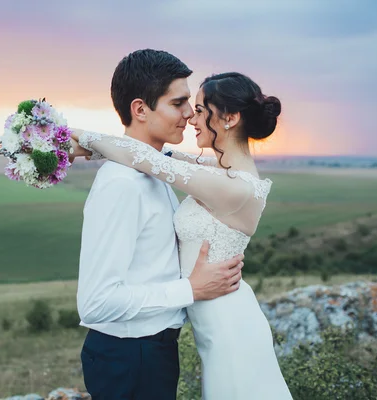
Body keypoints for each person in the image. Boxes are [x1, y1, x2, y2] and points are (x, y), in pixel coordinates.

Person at [72, 55, 292, 398]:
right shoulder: (129, 183)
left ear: (231, 118)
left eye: (199, 107)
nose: (191, 115)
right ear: (141, 109)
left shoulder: (228, 184)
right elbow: (95, 303)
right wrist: (76, 145)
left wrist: (78, 138)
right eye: (181, 103)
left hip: (221, 330)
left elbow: (154, 160)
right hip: (136, 352)